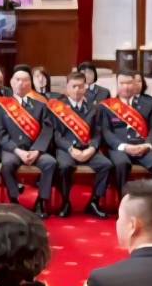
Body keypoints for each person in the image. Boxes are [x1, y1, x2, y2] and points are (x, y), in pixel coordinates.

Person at [47, 70, 111, 219]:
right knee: (64, 167)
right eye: (73, 86)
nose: (77, 90)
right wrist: (70, 149)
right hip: (66, 149)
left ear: (85, 88)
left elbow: (97, 132)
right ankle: (65, 202)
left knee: (106, 165)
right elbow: (56, 134)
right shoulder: (58, 108)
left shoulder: (94, 107)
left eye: (80, 86)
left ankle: (94, 201)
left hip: (88, 148)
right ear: (67, 88)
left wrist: (92, 148)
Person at [0, 66, 57, 216]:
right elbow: (1, 134)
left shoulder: (41, 106)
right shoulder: (0, 106)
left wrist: (37, 150)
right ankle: (14, 200)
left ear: (30, 83)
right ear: (11, 82)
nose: (21, 83)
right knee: (7, 164)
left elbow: (47, 130)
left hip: (35, 150)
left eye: (25, 80)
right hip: (12, 150)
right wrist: (18, 151)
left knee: (50, 163)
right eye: (18, 80)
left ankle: (41, 201)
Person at [98, 68, 152, 195]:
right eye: (122, 83)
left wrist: (147, 145)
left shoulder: (148, 103)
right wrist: (124, 147)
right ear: (117, 84)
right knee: (122, 163)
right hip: (120, 149)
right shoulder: (106, 106)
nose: (126, 87)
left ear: (135, 84)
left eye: (129, 83)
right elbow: (106, 132)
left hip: (142, 146)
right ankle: (123, 199)